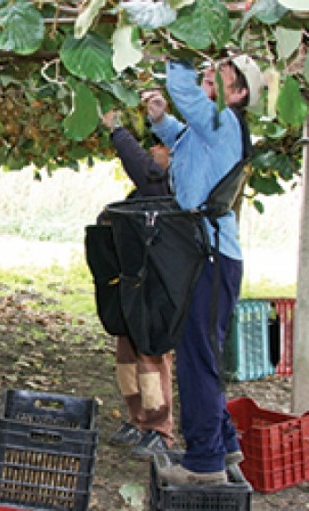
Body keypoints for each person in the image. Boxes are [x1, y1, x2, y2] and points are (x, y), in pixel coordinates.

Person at [145, 54, 263, 485]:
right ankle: (224, 442)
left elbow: (185, 95)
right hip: (208, 253)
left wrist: (180, 54)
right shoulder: (214, 128)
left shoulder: (225, 121)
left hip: (211, 257)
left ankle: (205, 464)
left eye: (219, 74)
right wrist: (161, 122)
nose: (208, 73)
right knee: (202, 352)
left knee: (197, 356)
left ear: (238, 93)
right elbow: (186, 139)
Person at [100, 110, 175, 459]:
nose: (155, 150)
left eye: (162, 147)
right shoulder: (144, 192)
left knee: (150, 357)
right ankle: (137, 418)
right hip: (134, 283)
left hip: (156, 287)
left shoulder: (164, 184)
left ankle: (160, 428)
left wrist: (117, 129)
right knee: (127, 356)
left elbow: (140, 166)